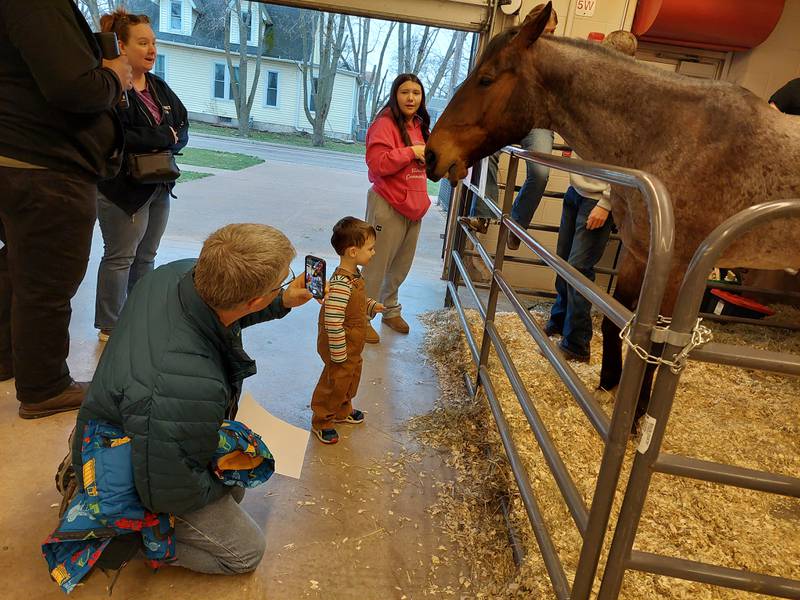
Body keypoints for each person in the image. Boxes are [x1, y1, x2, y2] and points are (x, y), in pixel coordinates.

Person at [71, 223, 315, 574]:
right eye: (280, 284)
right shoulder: (187, 384)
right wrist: (220, 475)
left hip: (133, 418)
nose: (285, 286)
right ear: (254, 300)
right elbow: (169, 491)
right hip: (126, 453)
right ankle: (123, 539)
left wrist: (281, 300)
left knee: (234, 489)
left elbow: (225, 312)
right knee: (246, 552)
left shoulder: (177, 273)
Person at [0, 0, 133, 419]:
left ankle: (9, 359)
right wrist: (112, 75)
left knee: (17, 270)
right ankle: (44, 388)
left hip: (27, 165)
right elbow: (74, 88)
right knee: (48, 284)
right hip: (47, 169)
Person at [95, 9, 189, 342]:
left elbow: (183, 127)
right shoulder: (108, 89)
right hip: (122, 189)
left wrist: (165, 135)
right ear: (121, 45)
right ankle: (110, 325)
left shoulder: (158, 87)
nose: (151, 50)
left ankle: (135, 315)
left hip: (158, 186)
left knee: (146, 256)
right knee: (121, 257)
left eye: (154, 42)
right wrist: (165, 136)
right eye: (143, 42)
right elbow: (116, 135)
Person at [544, 30, 637, 362]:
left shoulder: (628, 104)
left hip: (597, 199)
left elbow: (628, 158)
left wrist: (607, 202)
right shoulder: (595, 92)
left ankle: (578, 342)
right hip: (576, 189)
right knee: (562, 262)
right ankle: (558, 320)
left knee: (579, 268)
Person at [466, 3, 558, 253]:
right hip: (507, 119)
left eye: (550, 33)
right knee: (485, 154)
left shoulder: (556, 59)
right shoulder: (510, 49)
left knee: (540, 173)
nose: (545, 38)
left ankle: (517, 224)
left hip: (537, 123)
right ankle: (483, 213)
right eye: (542, 32)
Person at [362, 73, 431, 343]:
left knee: (401, 265)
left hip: (414, 206)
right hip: (388, 202)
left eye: (416, 92)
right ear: (395, 94)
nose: (411, 97)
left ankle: (390, 310)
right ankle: (362, 316)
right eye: (405, 92)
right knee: (375, 264)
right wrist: (412, 152)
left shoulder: (420, 125)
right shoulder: (384, 124)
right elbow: (377, 164)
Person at [311, 217, 384, 444]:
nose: (373, 253)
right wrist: (339, 352)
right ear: (353, 252)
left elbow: (356, 302)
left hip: (352, 343)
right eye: (370, 249)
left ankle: (343, 409)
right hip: (339, 344)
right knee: (334, 381)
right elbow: (333, 319)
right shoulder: (342, 284)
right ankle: (322, 419)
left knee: (351, 377)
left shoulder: (353, 277)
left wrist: (371, 305)